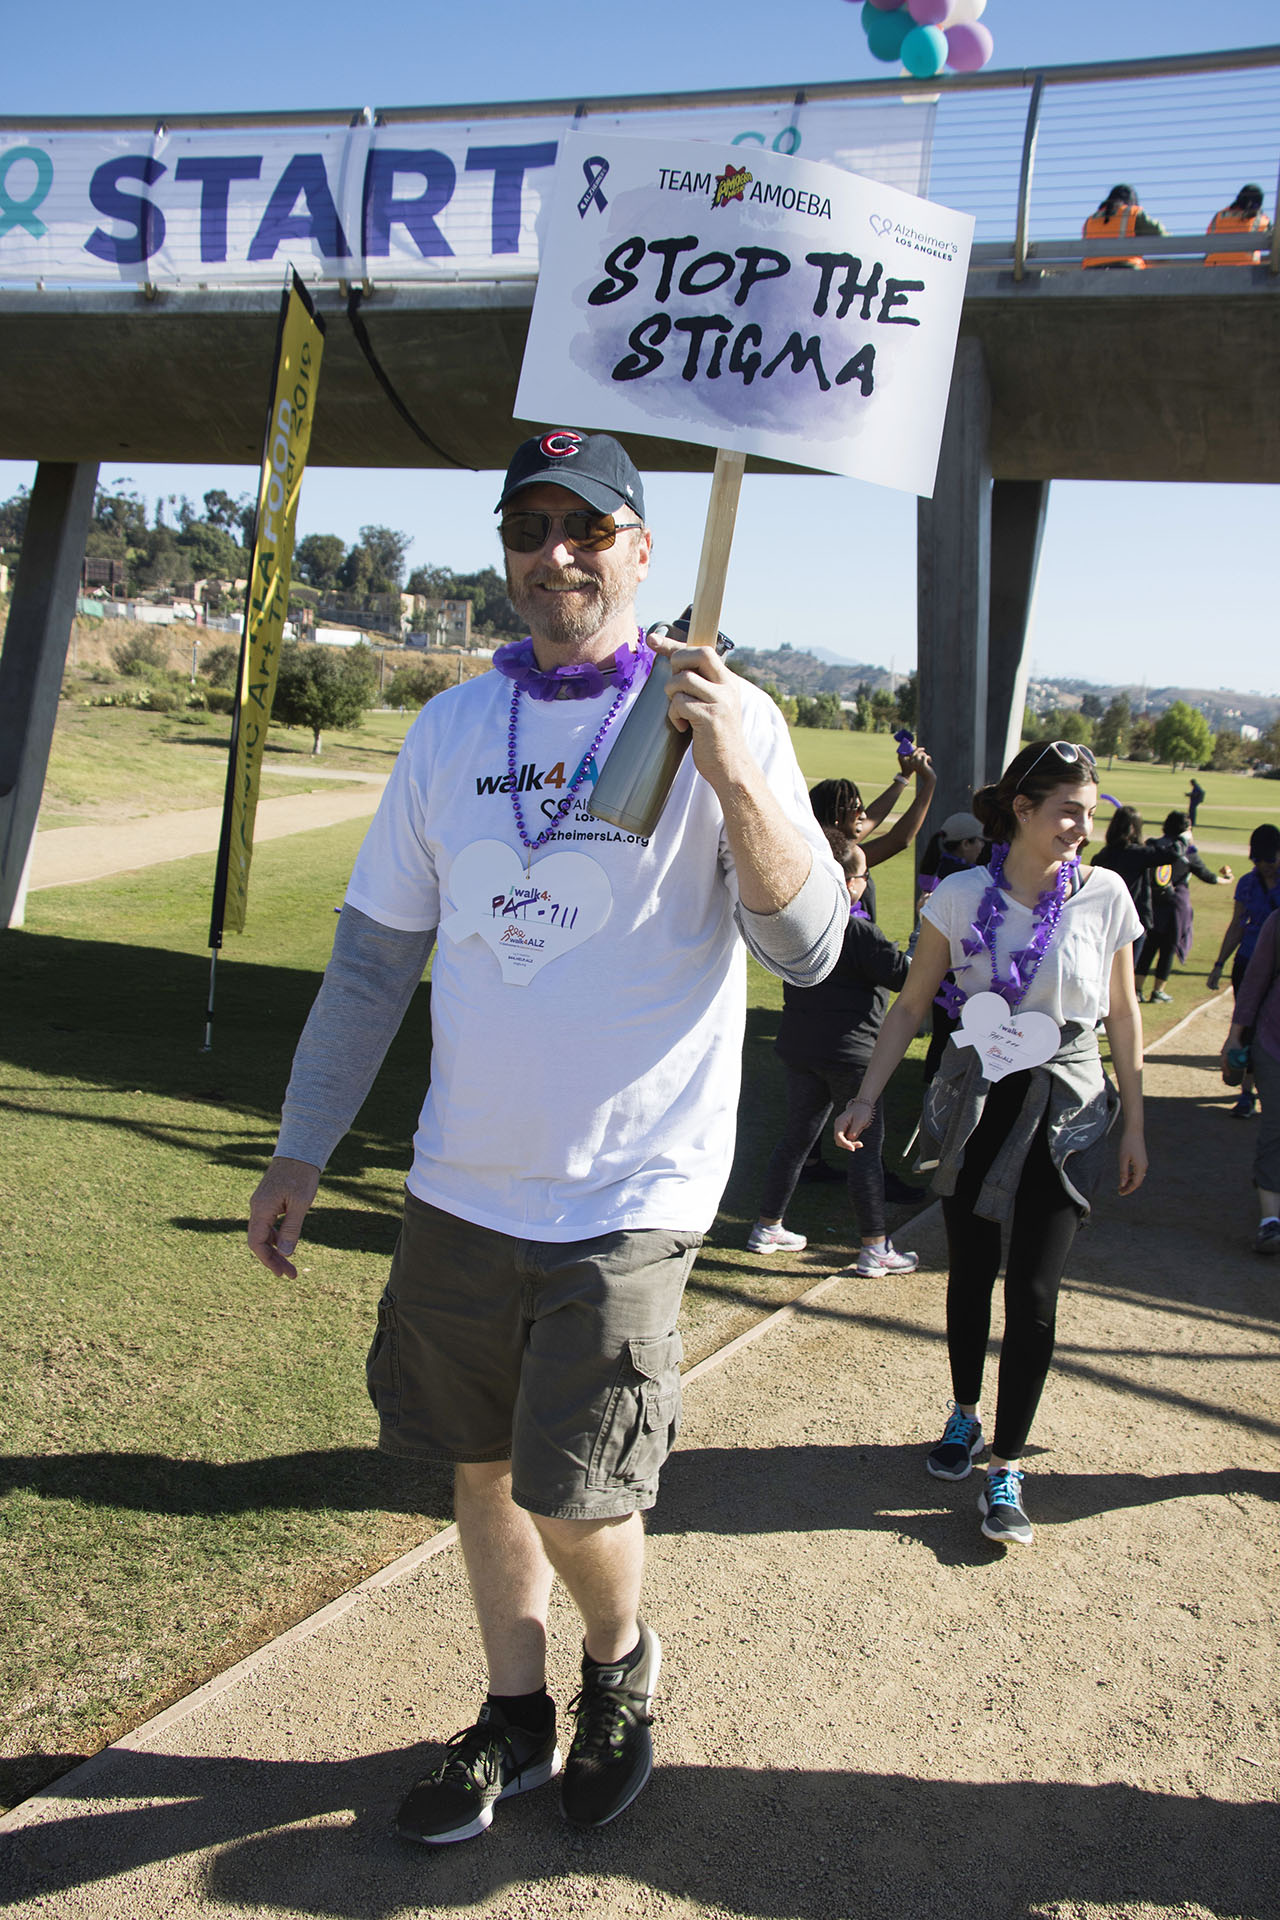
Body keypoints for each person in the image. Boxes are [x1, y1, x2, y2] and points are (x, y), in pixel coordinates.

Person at [246, 429, 846, 1845]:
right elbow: (373, 964)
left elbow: (812, 949)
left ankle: (618, 1666)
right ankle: (512, 1715)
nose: (557, 553)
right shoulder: (452, 729)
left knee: (577, 1492)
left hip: (631, 1190)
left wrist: (739, 781)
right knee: (475, 1466)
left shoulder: (726, 714)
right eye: (533, 527)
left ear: (643, 549)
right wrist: (298, 1149)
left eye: (590, 527)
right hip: (463, 1182)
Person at [833, 740, 1147, 1547]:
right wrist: (868, 1095)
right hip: (974, 1099)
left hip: (1067, 1108)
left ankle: (1008, 1466)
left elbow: (1121, 1013)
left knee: (1035, 1291)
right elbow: (910, 1006)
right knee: (970, 1270)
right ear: (1023, 810)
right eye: (1068, 810)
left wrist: (1136, 1122)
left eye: (1089, 808)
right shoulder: (963, 894)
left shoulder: (1106, 893)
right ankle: (965, 1414)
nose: (1082, 824)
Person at [748, 832, 918, 1275]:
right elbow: (904, 977)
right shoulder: (859, 930)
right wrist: (923, 932)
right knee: (864, 1148)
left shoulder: (802, 922)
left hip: (801, 1047)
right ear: (849, 881)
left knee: (796, 1139)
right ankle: (875, 1245)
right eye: (863, 874)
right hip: (852, 1055)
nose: (867, 881)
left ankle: (768, 1225)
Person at [802, 750, 936, 1196]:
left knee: (810, 1086)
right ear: (838, 816)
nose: (863, 814)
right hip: (849, 977)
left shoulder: (827, 847)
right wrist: (926, 785)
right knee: (851, 1080)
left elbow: (872, 823)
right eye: (854, 807)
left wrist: (900, 779)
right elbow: (897, 838)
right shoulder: (838, 857)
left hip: (820, 984)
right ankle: (870, 1179)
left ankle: (812, 1160)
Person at [1208, 823, 1280, 1117]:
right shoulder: (1247, 884)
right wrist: (1219, 963)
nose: (1263, 865)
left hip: (1277, 969)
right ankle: (1247, 1093)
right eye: (1258, 859)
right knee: (1249, 1026)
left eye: (1269, 858)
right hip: (1249, 963)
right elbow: (1238, 924)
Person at [1222, 909, 1280, 1253]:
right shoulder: (1277, 921)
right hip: (1274, 1045)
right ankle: (1270, 1220)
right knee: (1276, 1127)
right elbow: (1255, 981)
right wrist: (1235, 1037)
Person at [917, 811, 989, 1085]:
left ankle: (930, 1083)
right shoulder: (965, 879)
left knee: (941, 1034)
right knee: (954, 1033)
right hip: (956, 968)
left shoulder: (937, 869)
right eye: (978, 841)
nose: (983, 846)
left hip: (938, 964)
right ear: (966, 844)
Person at [1134, 809, 1231, 1005]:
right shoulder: (1186, 851)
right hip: (1175, 908)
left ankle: (1136, 989)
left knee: (1149, 948)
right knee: (1168, 949)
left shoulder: (1153, 845)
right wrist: (1227, 879)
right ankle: (1158, 991)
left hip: (1152, 905)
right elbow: (1208, 876)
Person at [1082, 184, 1166, 269]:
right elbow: (1163, 237)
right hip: (1126, 270)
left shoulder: (1090, 220)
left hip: (1091, 274)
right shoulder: (1132, 213)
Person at [1205, 183, 1271, 266]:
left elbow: (1207, 239)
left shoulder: (1220, 216)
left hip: (1213, 268)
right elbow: (1274, 241)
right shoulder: (1261, 220)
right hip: (1246, 271)